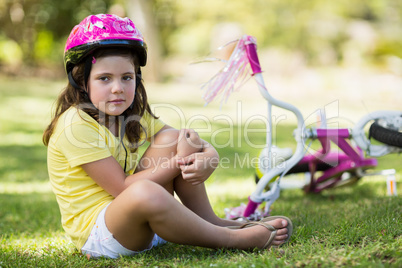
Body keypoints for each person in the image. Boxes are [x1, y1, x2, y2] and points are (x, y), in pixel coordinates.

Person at [43, 14, 293, 259]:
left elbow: (182, 139)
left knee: (179, 139)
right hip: (102, 235)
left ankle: (213, 222)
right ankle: (231, 240)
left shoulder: (127, 111)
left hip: (134, 213)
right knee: (143, 191)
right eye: (104, 78)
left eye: (126, 77)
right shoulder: (75, 125)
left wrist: (210, 156)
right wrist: (177, 164)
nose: (117, 88)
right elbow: (122, 188)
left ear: (136, 78)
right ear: (82, 81)